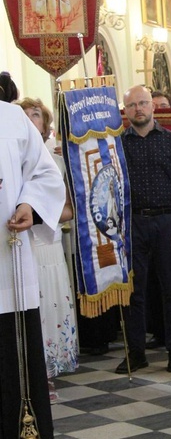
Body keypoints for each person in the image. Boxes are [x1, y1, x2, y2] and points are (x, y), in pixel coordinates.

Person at [1, 99, 64, 439]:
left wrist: (28, 204)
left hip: (7, 256)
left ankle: (23, 434)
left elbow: (43, 174)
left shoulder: (10, 117)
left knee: (15, 348)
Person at [118, 86, 171, 375]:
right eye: (132, 105)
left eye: (143, 103)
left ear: (152, 107)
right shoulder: (118, 144)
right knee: (133, 293)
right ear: (125, 111)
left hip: (168, 222)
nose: (138, 109)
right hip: (133, 223)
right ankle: (136, 353)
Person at [16, 97, 78, 399]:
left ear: (45, 125)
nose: (29, 118)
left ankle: (47, 375)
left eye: (36, 114)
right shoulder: (10, 159)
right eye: (23, 114)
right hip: (19, 248)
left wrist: (34, 213)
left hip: (48, 247)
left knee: (49, 312)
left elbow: (69, 209)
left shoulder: (56, 161)